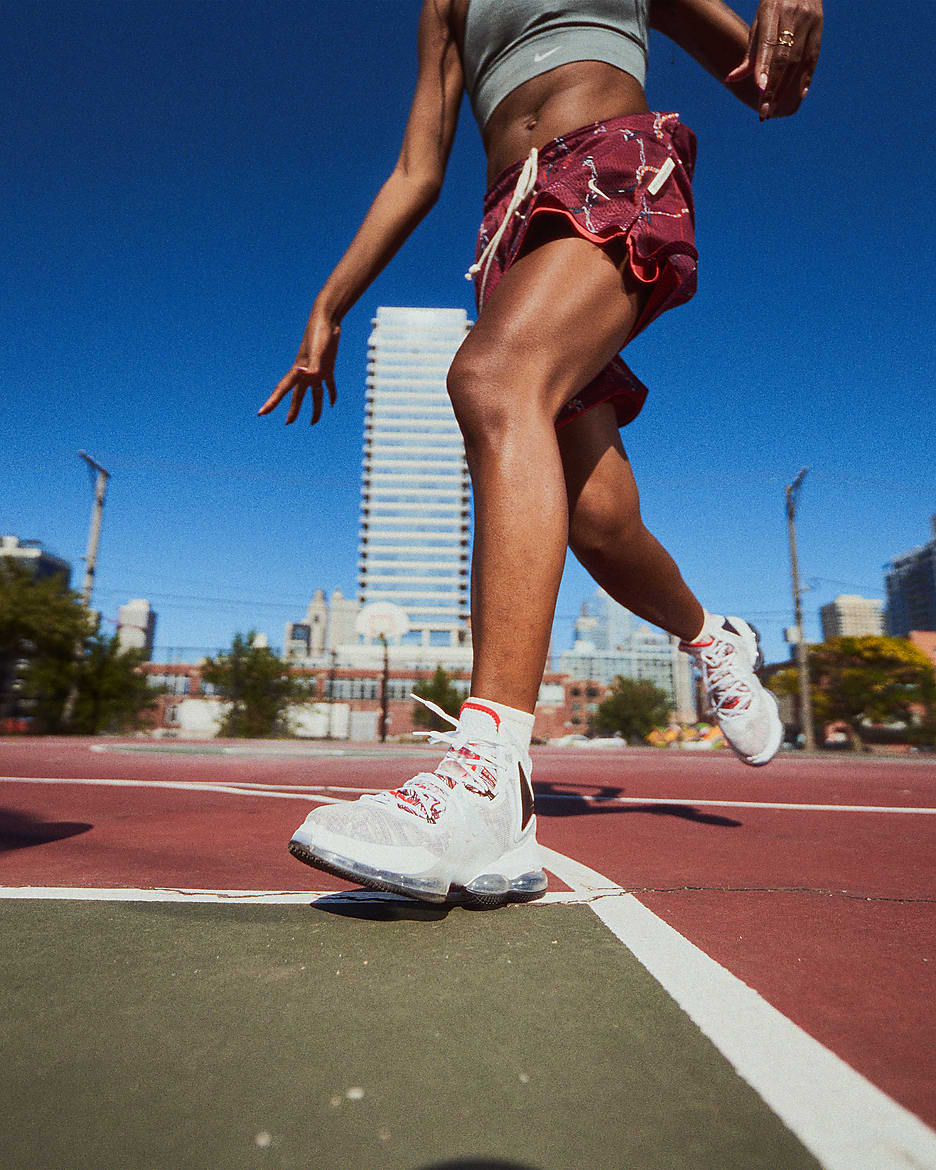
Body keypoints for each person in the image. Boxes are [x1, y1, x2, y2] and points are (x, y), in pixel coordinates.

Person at [258, 0, 823, 905]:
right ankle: (716, 640)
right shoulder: (442, 6)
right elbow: (416, 171)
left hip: (610, 167)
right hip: (511, 236)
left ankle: (490, 771)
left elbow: (767, 84)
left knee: (492, 381)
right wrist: (329, 304)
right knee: (600, 524)